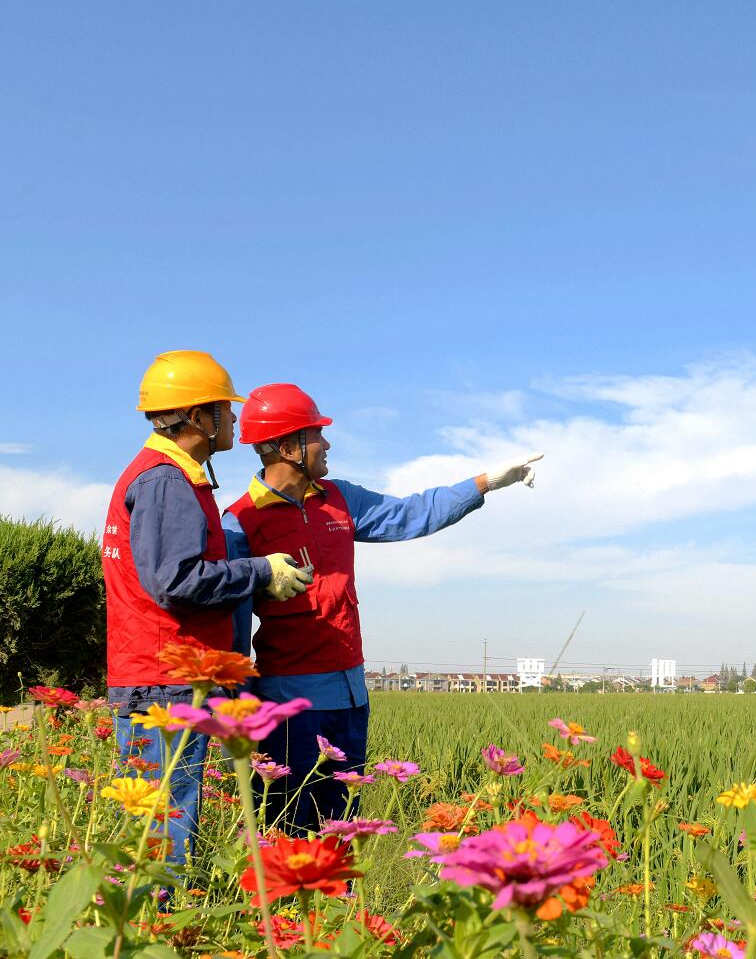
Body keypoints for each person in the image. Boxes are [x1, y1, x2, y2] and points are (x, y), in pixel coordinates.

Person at [222, 382, 541, 833]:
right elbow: (232, 628)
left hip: (351, 695)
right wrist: (238, 703)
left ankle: (345, 904)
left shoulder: (339, 499)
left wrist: (486, 482)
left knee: (341, 826)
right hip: (288, 702)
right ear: (288, 447)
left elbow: (412, 513)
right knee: (290, 826)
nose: (326, 443)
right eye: (316, 435)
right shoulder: (240, 523)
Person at [103, 351, 313, 868]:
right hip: (167, 680)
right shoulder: (166, 481)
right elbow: (175, 581)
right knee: (164, 839)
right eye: (226, 408)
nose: (236, 419)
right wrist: (260, 572)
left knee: (154, 829)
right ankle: (157, 933)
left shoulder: (166, 475)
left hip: (157, 674)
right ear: (197, 417)